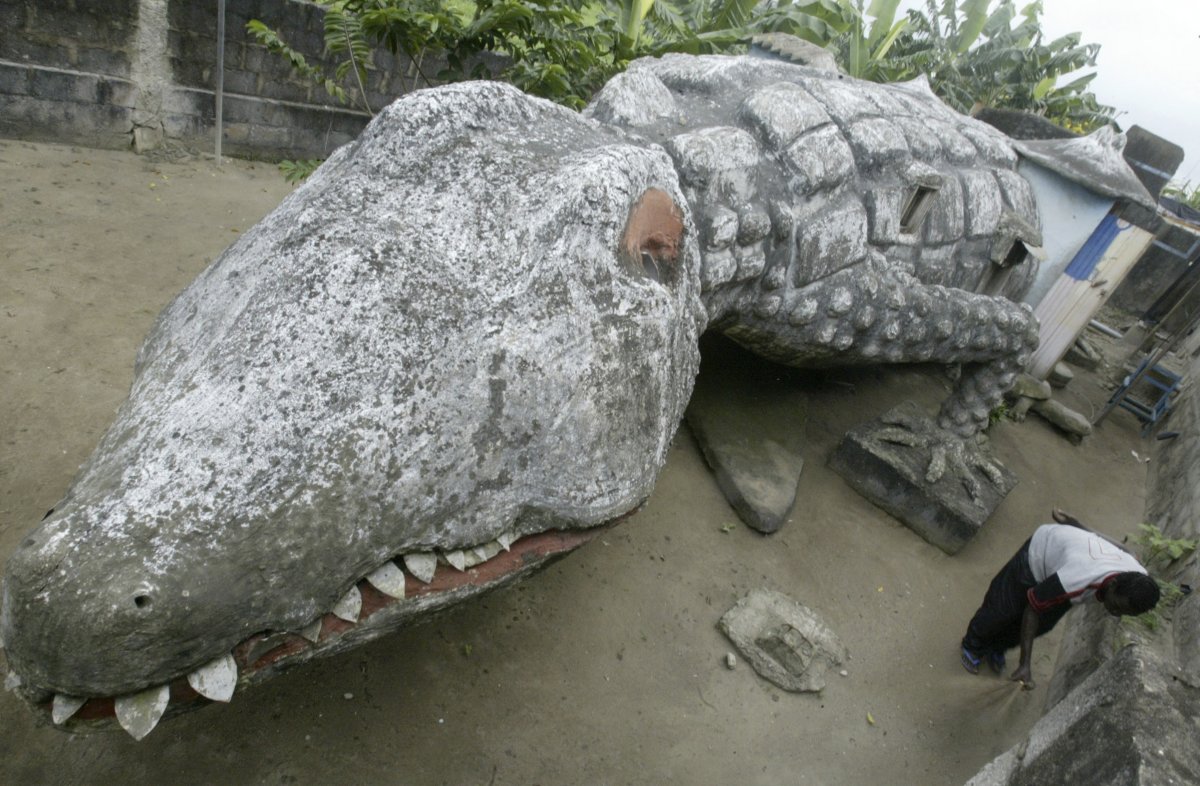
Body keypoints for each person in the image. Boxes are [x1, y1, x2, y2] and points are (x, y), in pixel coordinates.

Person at [960, 508, 1160, 689]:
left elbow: (1128, 551)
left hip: (1066, 566)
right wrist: (1025, 664)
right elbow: (1032, 607)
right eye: (1116, 606)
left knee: (1042, 626)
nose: (1114, 613)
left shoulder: (1137, 574)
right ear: (1114, 583)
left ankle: (996, 646)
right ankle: (973, 645)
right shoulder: (1080, 576)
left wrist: (1080, 526)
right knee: (1003, 608)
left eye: (1123, 613)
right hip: (1040, 553)